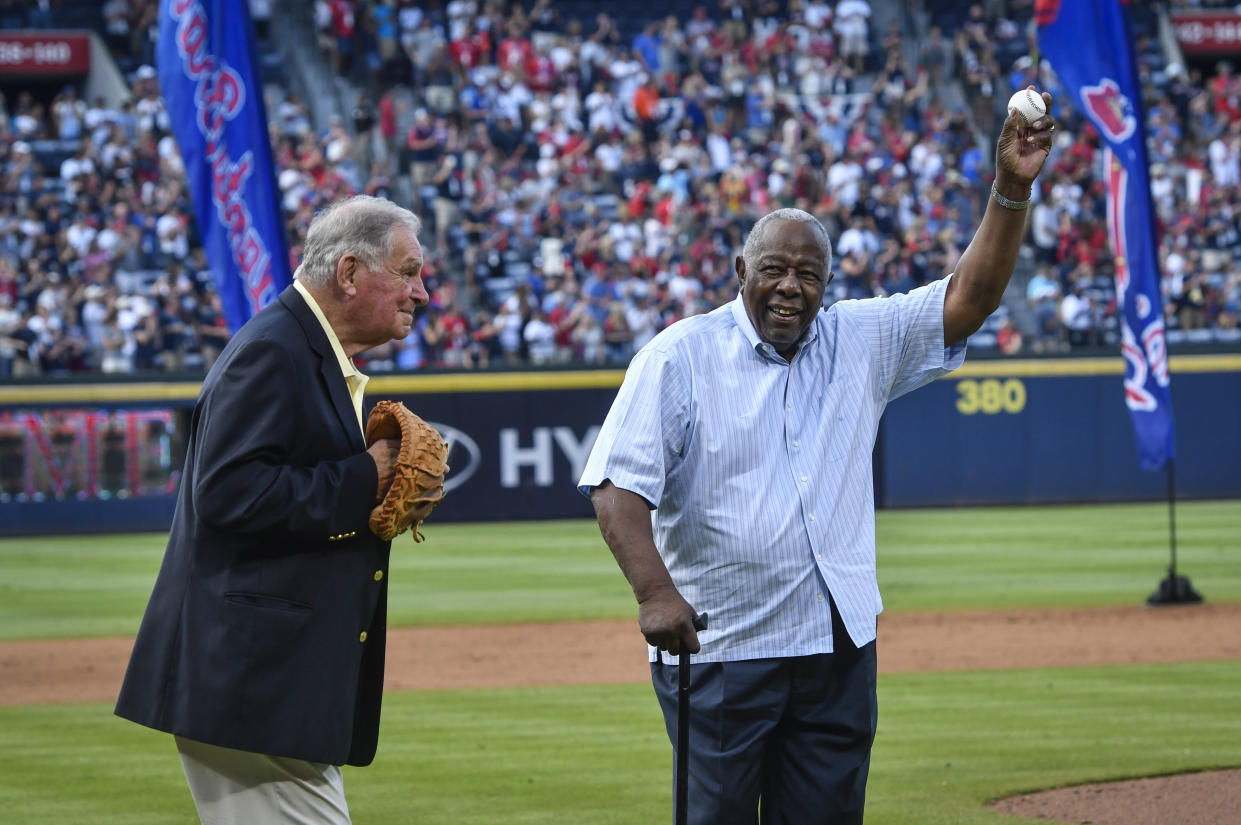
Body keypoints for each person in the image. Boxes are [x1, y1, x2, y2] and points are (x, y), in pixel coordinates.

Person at [578, 92, 1056, 824]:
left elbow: (970, 296)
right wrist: (653, 594)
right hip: (723, 648)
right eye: (773, 268)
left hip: (835, 648)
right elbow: (617, 488)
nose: (789, 287)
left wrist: (1011, 189)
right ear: (739, 268)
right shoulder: (679, 355)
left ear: (828, 282)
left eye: (808, 273)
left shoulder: (857, 338)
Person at [115, 195, 434, 823]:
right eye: (408, 271)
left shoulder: (299, 347)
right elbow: (228, 495)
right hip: (251, 684)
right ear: (348, 273)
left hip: (266, 686)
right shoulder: (275, 350)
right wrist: (364, 477)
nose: (421, 293)